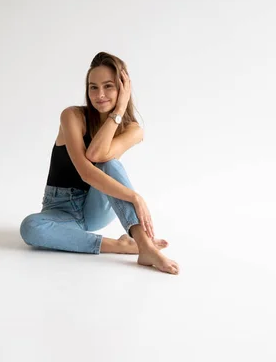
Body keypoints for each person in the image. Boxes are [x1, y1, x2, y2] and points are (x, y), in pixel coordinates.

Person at [20, 51, 180, 275]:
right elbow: (87, 169)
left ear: (123, 89)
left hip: (95, 209)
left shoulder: (133, 129)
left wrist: (120, 110)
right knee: (30, 228)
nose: (100, 94)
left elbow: (98, 156)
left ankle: (145, 247)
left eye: (109, 86)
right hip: (59, 209)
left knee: (110, 164)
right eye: (93, 87)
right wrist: (135, 196)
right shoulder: (72, 116)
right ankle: (121, 246)